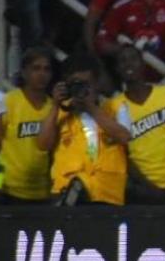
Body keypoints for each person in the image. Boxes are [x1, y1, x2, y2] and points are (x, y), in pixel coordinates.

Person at [37, 54, 131, 205]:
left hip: (107, 194)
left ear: (97, 84)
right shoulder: (59, 112)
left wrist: (91, 108)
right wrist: (55, 106)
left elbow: (124, 137)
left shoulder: (116, 107)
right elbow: (43, 145)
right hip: (67, 194)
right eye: (75, 84)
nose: (80, 89)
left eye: (86, 84)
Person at [111, 46, 165, 204]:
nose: (128, 64)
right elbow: (121, 155)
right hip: (141, 191)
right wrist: (148, 188)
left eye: (133, 59)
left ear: (142, 63)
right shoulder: (113, 107)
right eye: (122, 61)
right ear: (116, 69)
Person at [0, 48, 55, 203]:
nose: (41, 74)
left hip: (43, 192)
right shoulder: (9, 102)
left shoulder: (53, 107)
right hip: (10, 191)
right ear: (24, 72)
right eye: (36, 68)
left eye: (46, 69)